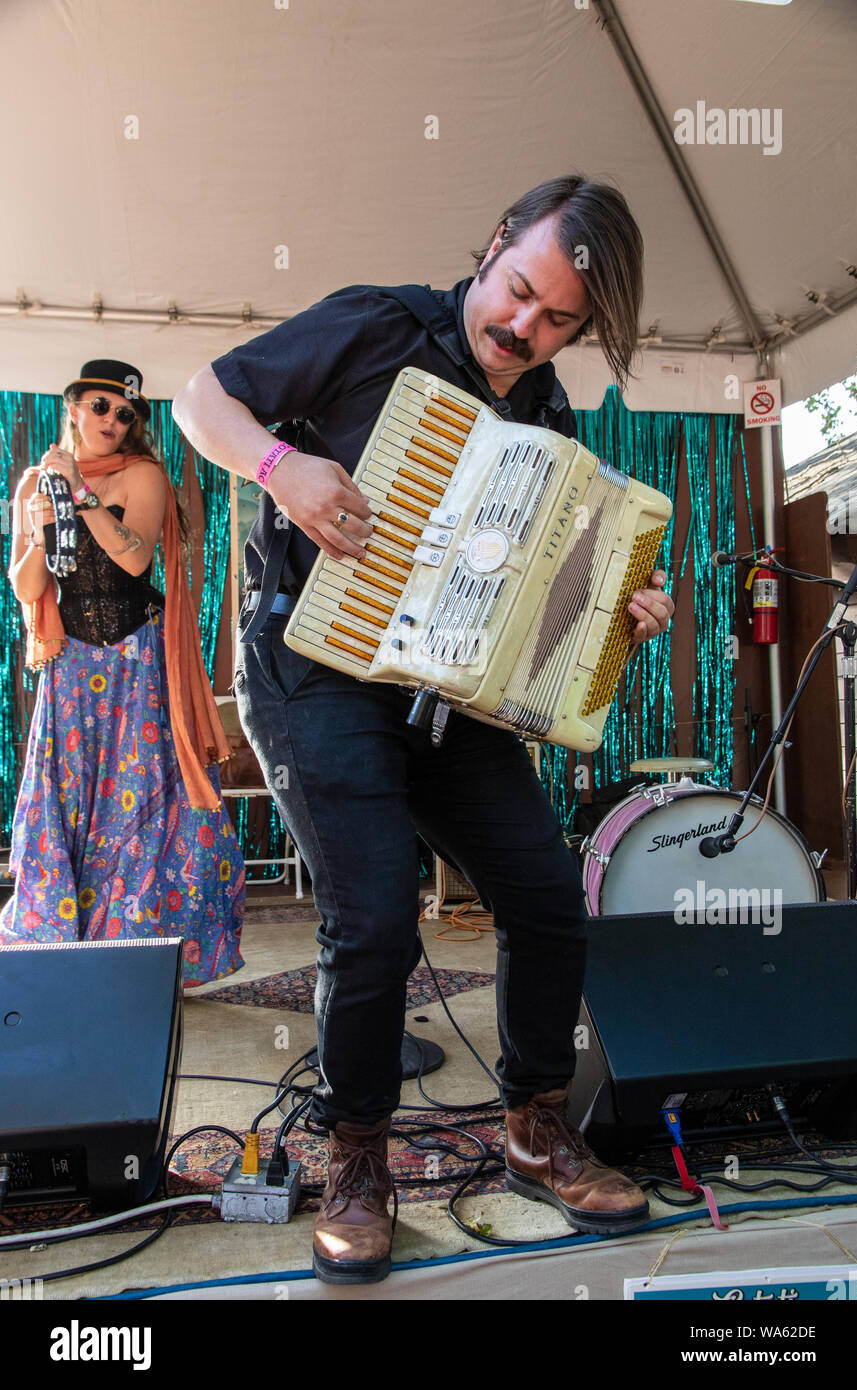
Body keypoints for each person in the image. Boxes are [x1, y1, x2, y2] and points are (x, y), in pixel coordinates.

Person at [173, 175, 675, 1282]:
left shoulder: (545, 413)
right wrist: (280, 465)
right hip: (314, 671)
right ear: (492, 245)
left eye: (556, 323)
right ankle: (356, 1155)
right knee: (374, 921)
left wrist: (618, 610)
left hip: (448, 695)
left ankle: (533, 1125)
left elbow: (535, 607)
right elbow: (200, 399)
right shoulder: (374, 325)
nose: (520, 329)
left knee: (546, 897)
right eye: (515, 293)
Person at [0, 359, 245, 987]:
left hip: (136, 660)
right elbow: (27, 585)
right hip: (70, 666)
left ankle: (139, 958)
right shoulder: (35, 483)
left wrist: (80, 497)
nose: (114, 420)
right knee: (72, 801)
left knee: (140, 803)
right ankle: (64, 951)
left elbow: (134, 562)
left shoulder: (142, 475)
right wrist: (42, 523)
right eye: (103, 406)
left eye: (127, 413)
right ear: (75, 406)